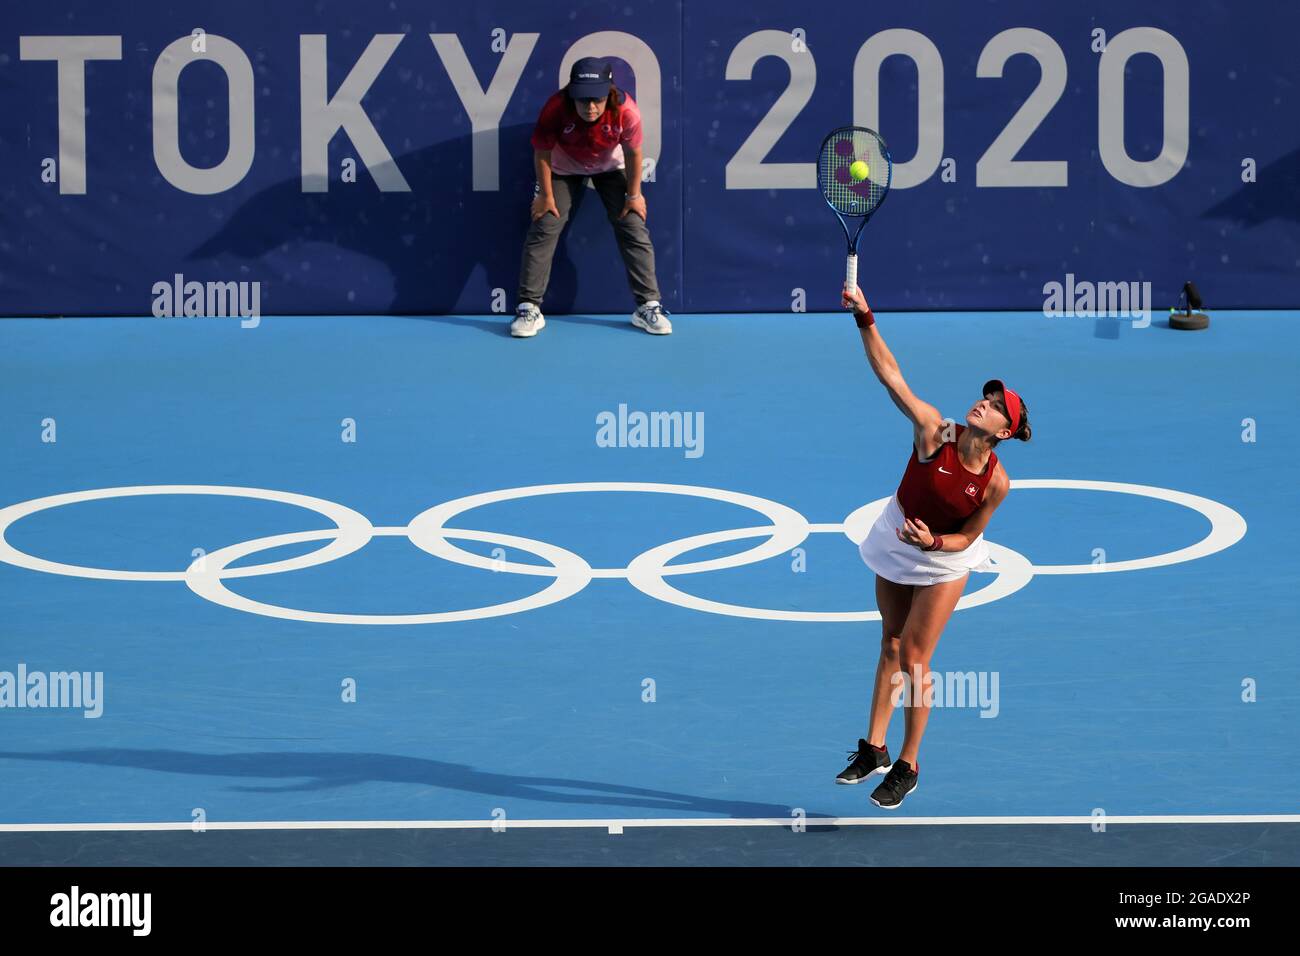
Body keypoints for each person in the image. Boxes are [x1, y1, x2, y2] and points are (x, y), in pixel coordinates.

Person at [836, 283, 1032, 809]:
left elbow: (970, 535)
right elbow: (891, 376)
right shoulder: (932, 431)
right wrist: (865, 316)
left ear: (1004, 432)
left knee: (917, 660)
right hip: (899, 534)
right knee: (891, 643)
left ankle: (908, 762)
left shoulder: (996, 482)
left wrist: (936, 542)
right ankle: (873, 748)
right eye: (985, 398)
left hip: (947, 555)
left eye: (995, 408)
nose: (983, 404)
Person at [511, 57, 670, 338]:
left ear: (608, 92)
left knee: (632, 224)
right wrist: (546, 195)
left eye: (596, 99)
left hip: (610, 167)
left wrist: (634, 195)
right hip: (563, 168)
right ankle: (528, 307)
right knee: (545, 224)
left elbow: (634, 154)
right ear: (571, 93)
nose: (590, 107)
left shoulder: (626, 111)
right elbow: (543, 153)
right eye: (582, 100)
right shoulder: (556, 108)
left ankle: (648, 306)